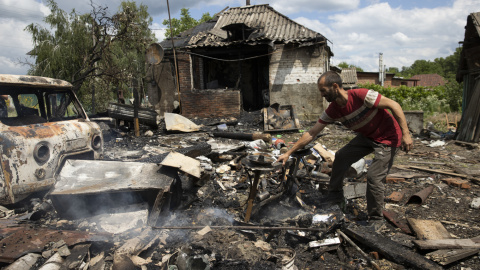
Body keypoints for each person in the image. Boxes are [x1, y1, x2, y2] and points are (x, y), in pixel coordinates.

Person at [277, 71, 413, 224]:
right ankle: (335, 196)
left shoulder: (362, 96)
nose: (322, 95)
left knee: (374, 177)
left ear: (335, 86)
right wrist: (288, 152)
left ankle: (376, 218)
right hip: (367, 136)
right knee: (341, 157)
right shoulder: (333, 110)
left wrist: (406, 134)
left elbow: (394, 105)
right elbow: (311, 132)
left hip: (389, 138)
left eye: (323, 91)